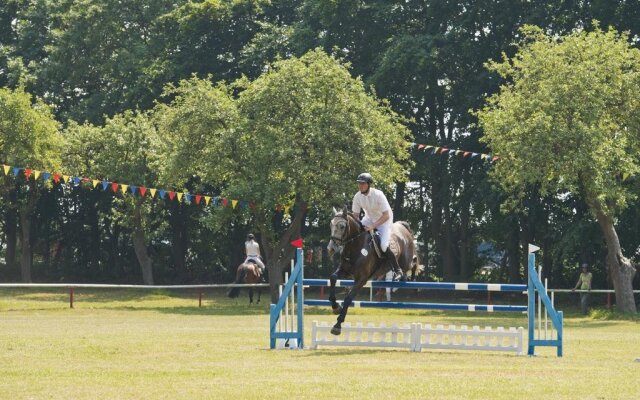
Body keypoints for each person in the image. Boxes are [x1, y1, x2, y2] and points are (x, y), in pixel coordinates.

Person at [351, 172, 404, 281]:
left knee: (384, 246)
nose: (360, 186)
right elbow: (355, 216)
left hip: (385, 220)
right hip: (369, 218)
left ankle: (397, 270)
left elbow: (386, 215)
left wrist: (372, 226)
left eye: (363, 183)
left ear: (369, 184)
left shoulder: (378, 195)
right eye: (359, 183)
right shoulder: (357, 196)